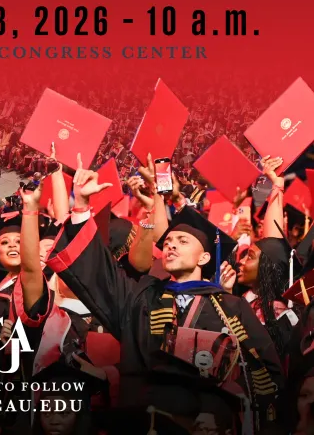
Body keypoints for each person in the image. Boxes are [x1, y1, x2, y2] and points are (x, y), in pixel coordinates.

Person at [45, 162, 284, 430]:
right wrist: (80, 205)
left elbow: (262, 373)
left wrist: (219, 412)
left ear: (204, 257)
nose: (170, 245)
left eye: (183, 241)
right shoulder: (142, 298)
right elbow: (100, 274)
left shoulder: (231, 307)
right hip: (146, 422)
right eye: (169, 241)